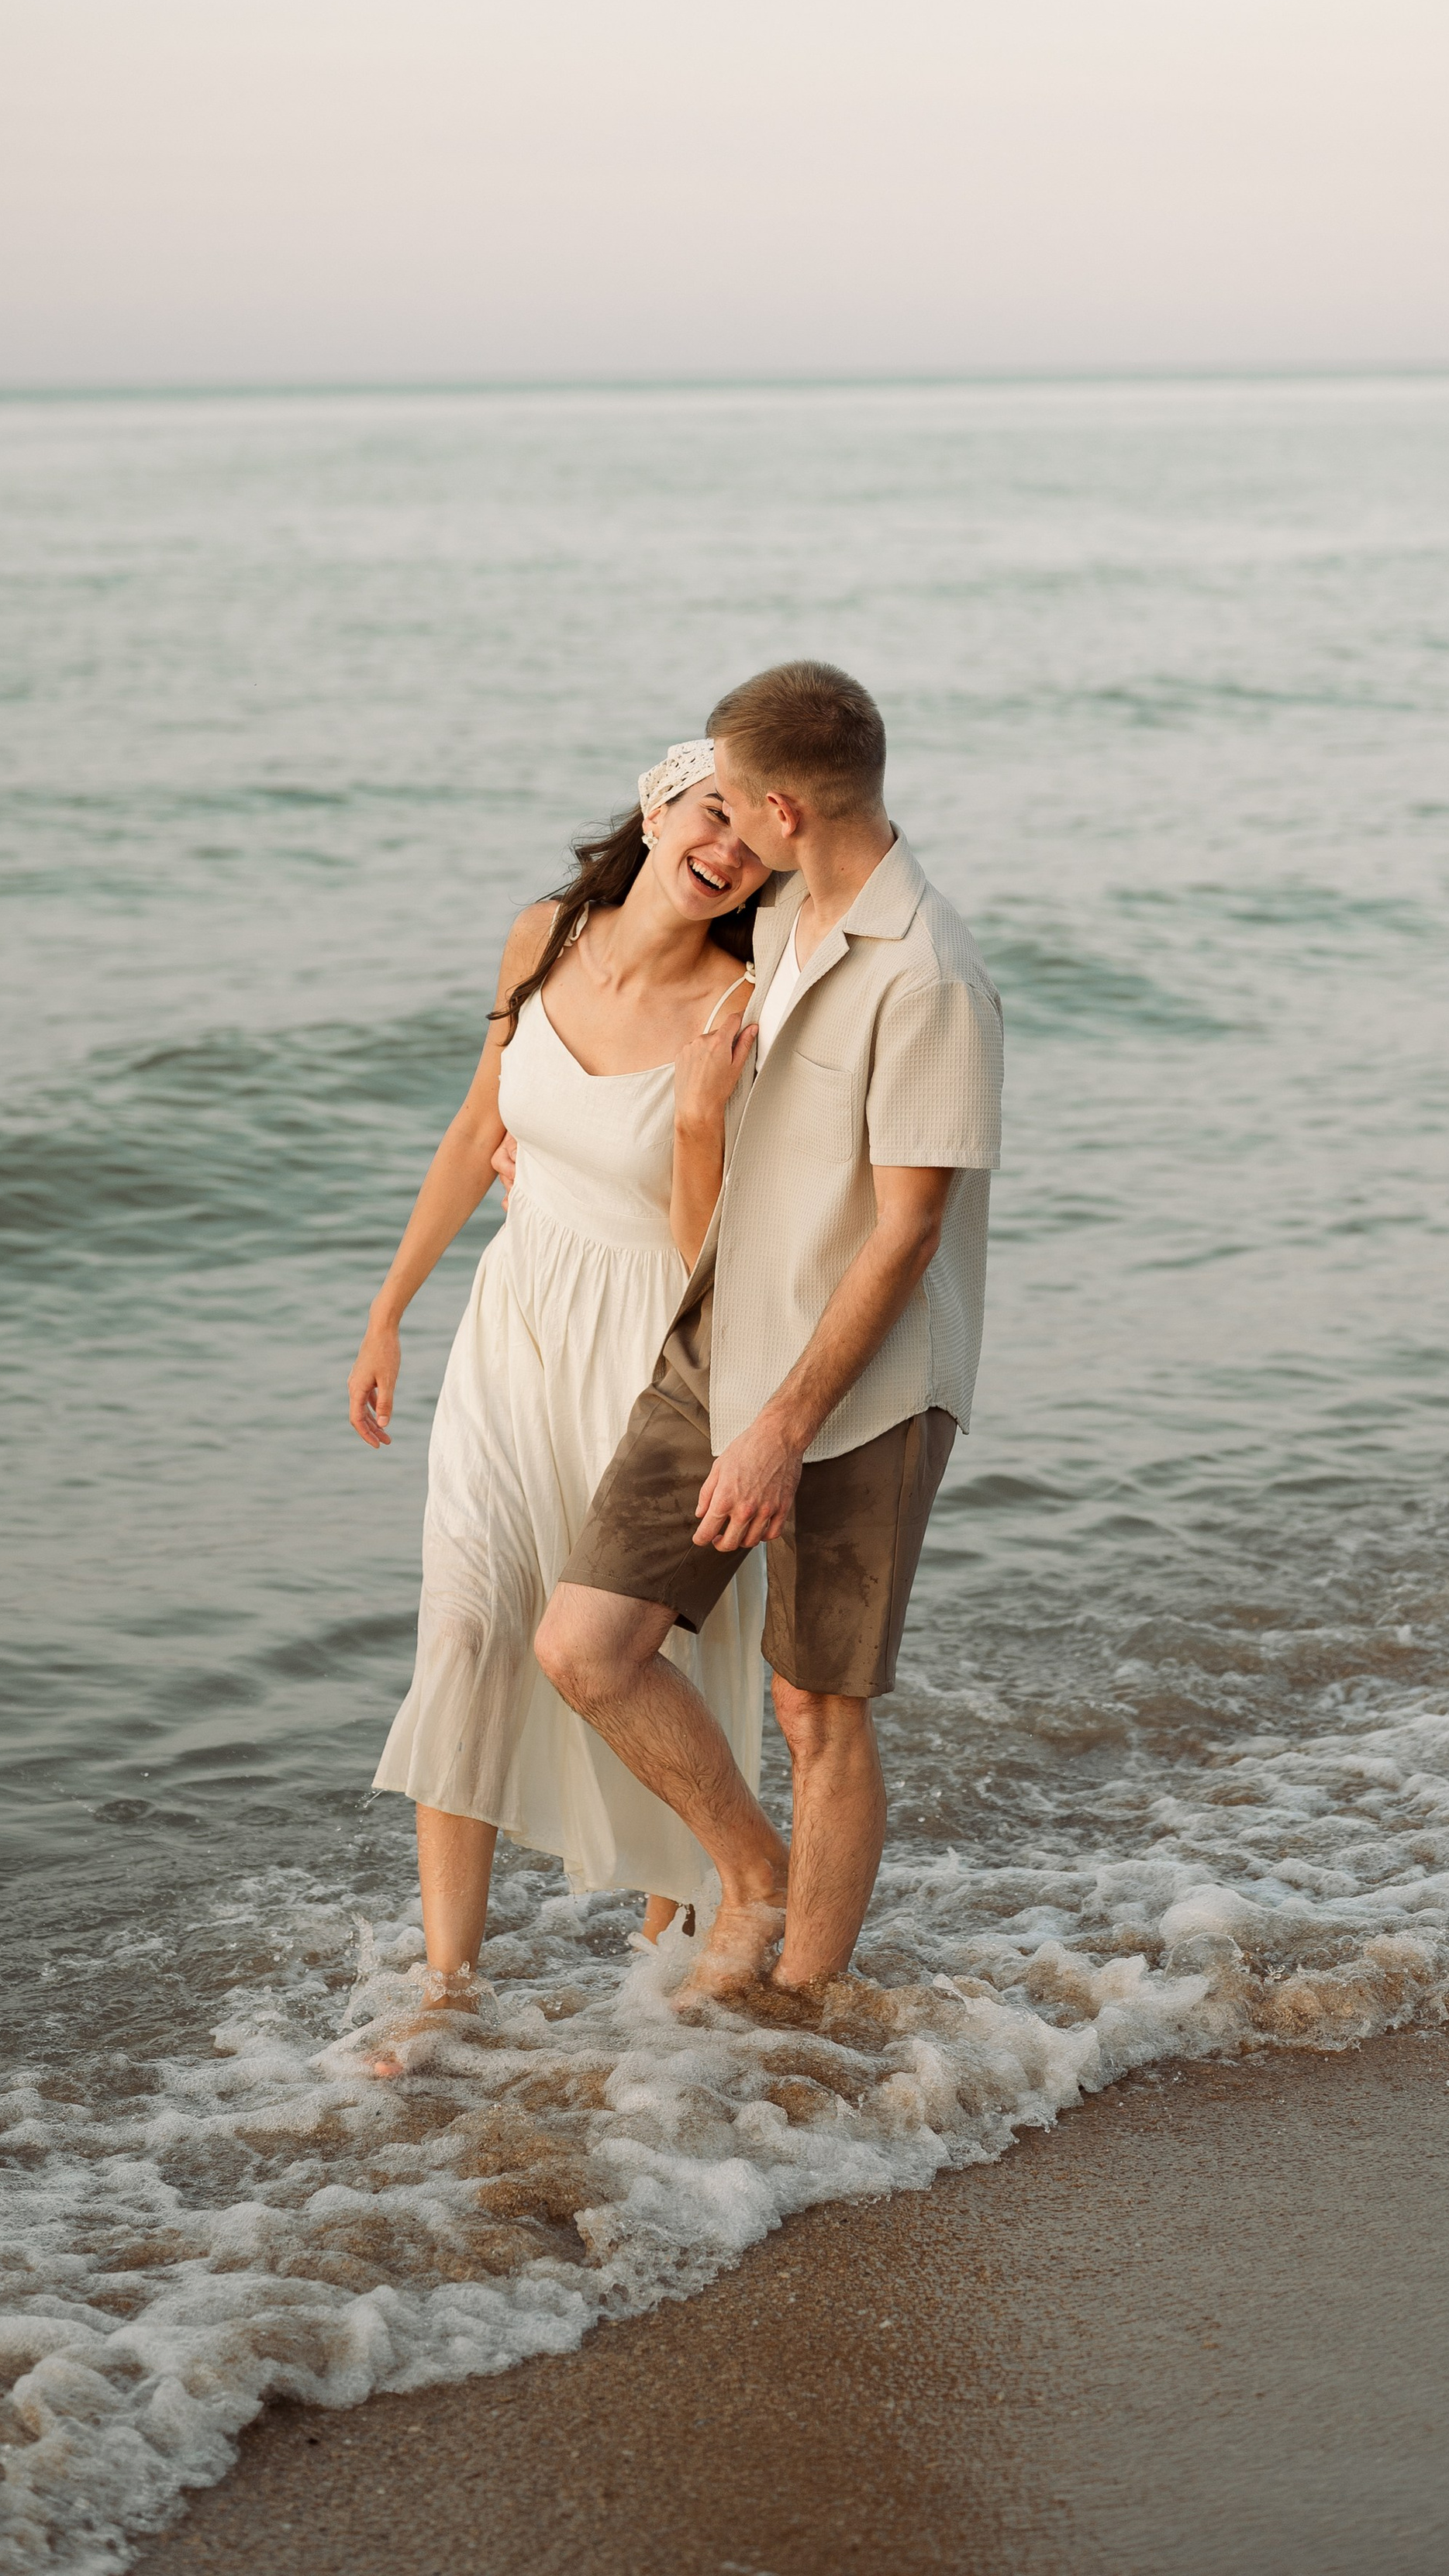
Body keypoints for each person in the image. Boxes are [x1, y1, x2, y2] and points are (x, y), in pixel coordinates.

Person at [535, 660, 1001, 1994]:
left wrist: (781, 1433)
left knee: (817, 1707)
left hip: (862, 1390)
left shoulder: (930, 981)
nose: (718, 827)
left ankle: (806, 2012)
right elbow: (635, 985)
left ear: (790, 808)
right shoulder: (790, 908)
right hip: (718, 1340)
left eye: (735, 800)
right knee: (586, 1647)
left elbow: (907, 1235)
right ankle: (752, 1873)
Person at [347, 742, 771, 1995]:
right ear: (658, 806)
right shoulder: (543, 934)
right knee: (468, 1630)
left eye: (756, 842)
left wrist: (699, 1121)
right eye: (711, 815)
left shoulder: (740, 1004)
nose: (726, 853)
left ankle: (671, 1964)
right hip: (513, 1322)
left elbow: (715, 1256)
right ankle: (446, 1989)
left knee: (645, 1661)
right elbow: (481, 1125)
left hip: (653, 1353)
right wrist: (388, 1311)